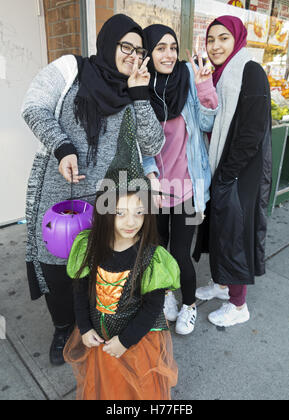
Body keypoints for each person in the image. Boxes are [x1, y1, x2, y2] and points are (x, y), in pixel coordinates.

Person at [21, 14, 164, 366]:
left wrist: (140, 94)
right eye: (125, 46)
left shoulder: (133, 90)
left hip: (106, 200)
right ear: (108, 42)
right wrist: (62, 146)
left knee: (92, 266)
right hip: (58, 192)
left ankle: (89, 323)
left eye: (139, 50)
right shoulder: (70, 68)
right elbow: (33, 106)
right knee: (55, 265)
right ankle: (62, 327)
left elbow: (153, 143)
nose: (132, 55)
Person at [63, 107, 180, 400]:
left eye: (139, 212)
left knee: (138, 391)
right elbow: (80, 289)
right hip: (101, 339)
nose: (131, 222)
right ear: (105, 213)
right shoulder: (88, 247)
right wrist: (85, 325)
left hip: (135, 343)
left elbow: (153, 307)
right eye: (121, 213)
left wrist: (125, 341)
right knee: (109, 388)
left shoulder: (152, 258)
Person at [195, 16, 272, 327]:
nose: (215, 46)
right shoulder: (219, 74)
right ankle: (223, 285)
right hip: (223, 167)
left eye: (223, 38)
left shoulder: (250, 72)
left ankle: (239, 305)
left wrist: (227, 174)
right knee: (219, 230)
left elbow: (252, 131)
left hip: (240, 171)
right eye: (211, 40)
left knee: (234, 235)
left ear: (237, 39)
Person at [142, 24, 218, 335]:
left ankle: (189, 306)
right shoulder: (140, 88)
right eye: (160, 48)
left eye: (173, 47)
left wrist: (204, 86)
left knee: (180, 254)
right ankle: (167, 296)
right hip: (157, 188)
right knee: (158, 249)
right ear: (148, 52)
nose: (169, 54)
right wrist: (151, 177)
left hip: (186, 186)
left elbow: (207, 121)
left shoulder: (187, 79)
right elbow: (140, 142)